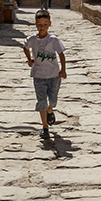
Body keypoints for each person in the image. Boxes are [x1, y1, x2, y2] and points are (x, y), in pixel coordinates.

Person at [22, 9, 67, 138]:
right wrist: (29, 59)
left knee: (52, 101)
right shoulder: (32, 39)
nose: (42, 27)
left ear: (49, 24)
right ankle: (45, 127)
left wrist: (63, 69)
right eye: (40, 24)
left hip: (53, 75)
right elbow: (25, 47)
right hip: (38, 75)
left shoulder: (53, 40)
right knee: (41, 101)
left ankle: (50, 110)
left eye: (45, 24)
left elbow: (61, 54)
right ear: (36, 24)